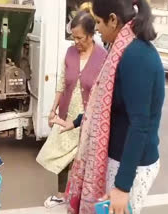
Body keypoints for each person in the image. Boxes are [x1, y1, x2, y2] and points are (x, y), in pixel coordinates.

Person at [54, 0, 165, 214]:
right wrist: (76, 121)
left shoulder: (136, 56)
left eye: (98, 22)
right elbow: (107, 105)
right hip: (118, 156)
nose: (96, 30)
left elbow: (140, 124)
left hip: (130, 163)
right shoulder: (122, 49)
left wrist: (123, 187)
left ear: (113, 20)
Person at [36, 10, 107, 208]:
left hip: (87, 118)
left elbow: (103, 94)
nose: (75, 42)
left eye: (79, 37)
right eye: (72, 37)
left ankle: (79, 198)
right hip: (67, 112)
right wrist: (53, 110)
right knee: (60, 156)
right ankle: (61, 194)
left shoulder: (102, 57)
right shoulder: (69, 53)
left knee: (81, 159)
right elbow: (61, 84)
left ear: (91, 35)